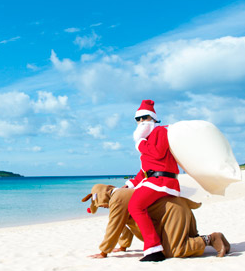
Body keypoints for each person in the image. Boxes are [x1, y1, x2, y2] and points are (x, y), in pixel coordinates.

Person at [82, 184, 230, 259]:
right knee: (187, 240)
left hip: (173, 213)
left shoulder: (118, 198)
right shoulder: (123, 194)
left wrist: (103, 252)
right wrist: (123, 246)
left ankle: (212, 239)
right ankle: (221, 242)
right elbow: (123, 224)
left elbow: (113, 225)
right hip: (178, 208)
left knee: (174, 251)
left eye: (98, 202)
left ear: (101, 195)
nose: (102, 206)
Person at [126, 100, 179, 262]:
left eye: (145, 117)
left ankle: (153, 248)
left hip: (163, 181)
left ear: (153, 118)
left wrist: (141, 143)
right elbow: (146, 170)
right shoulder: (148, 137)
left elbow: (157, 154)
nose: (141, 121)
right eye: (138, 119)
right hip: (155, 179)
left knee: (134, 206)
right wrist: (131, 184)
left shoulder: (161, 131)